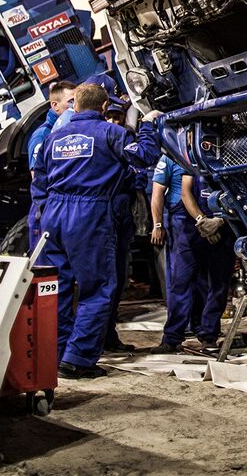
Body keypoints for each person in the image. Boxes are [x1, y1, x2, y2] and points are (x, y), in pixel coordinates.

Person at [41, 83, 162, 379]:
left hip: (53, 213)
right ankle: (78, 359)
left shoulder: (54, 137)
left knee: (58, 288)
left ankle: (56, 354)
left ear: (76, 106)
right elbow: (145, 155)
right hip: (89, 215)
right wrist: (147, 125)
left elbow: (41, 174)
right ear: (105, 108)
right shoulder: (110, 133)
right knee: (97, 289)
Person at [148, 153, 232, 353]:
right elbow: (181, 192)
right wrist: (201, 221)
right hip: (185, 222)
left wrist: (221, 221)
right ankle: (172, 337)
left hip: (222, 222)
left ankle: (208, 334)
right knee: (181, 281)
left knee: (217, 283)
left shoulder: (227, 153)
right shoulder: (174, 156)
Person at [101, 95, 142, 353]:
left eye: (118, 117)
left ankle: (108, 335)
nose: (115, 121)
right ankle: (98, 338)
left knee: (118, 281)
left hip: (123, 215)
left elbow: (138, 175)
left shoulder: (125, 141)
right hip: (105, 217)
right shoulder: (105, 142)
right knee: (104, 282)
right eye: (110, 116)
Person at [27, 80, 76, 252]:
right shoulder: (43, 135)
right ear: (55, 105)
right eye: (70, 101)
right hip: (46, 211)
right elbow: (38, 180)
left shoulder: (72, 129)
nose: (75, 106)